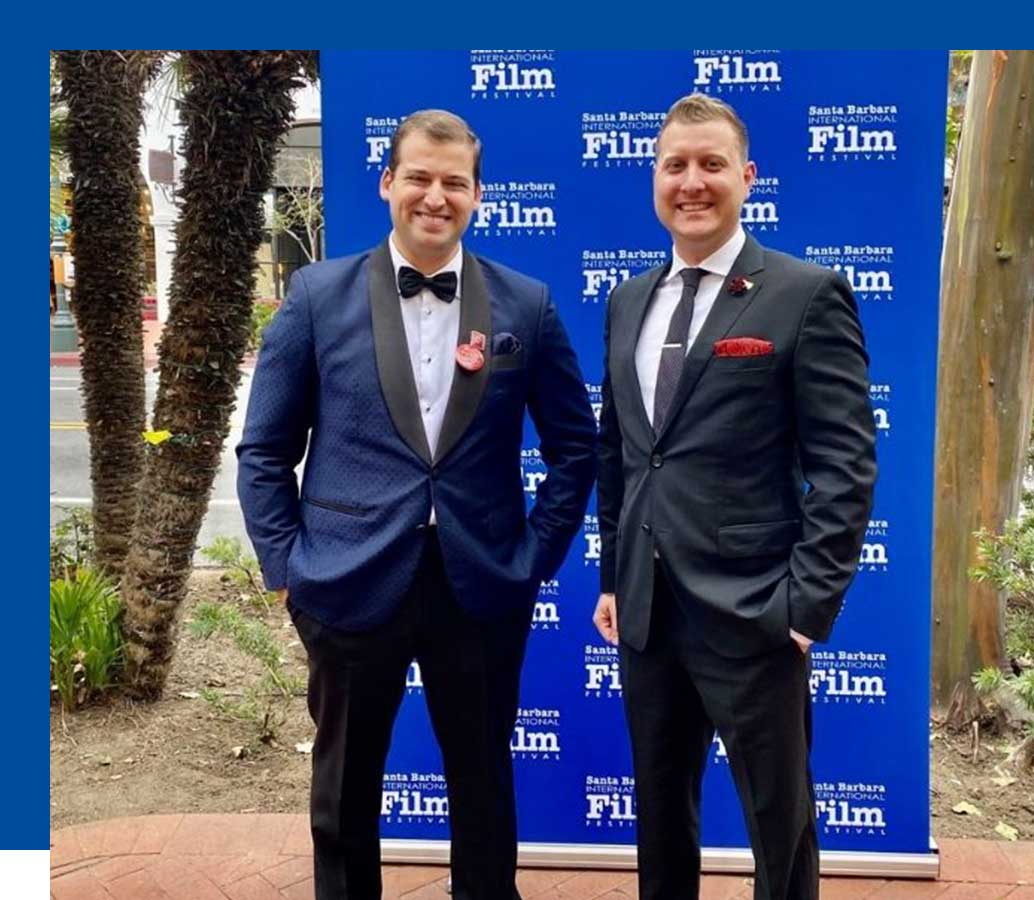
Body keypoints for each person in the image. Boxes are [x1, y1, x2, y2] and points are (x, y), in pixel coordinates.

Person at [237, 109, 597, 900]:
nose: (436, 196)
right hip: (347, 581)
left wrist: (534, 558)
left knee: (482, 785)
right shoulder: (314, 296)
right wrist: (286, 571)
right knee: (343, 792)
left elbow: (577, 446)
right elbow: (264, 452)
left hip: (479, 587)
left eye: (454, 183)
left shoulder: (526, 305)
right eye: (420, 178)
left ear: (477, 196)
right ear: (387, 183)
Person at [593, 93, 877, 900]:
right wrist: (615, 575)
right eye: (675, 165)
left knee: (778, 828)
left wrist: (805, 603)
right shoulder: (626, 301)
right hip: (647, 610)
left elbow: (846, 465)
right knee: (659, 815)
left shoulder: (805, 293)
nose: (692, 182)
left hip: (755, 611)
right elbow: (622, 452)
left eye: (711, 164)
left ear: (746, 177)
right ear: (654, 177)